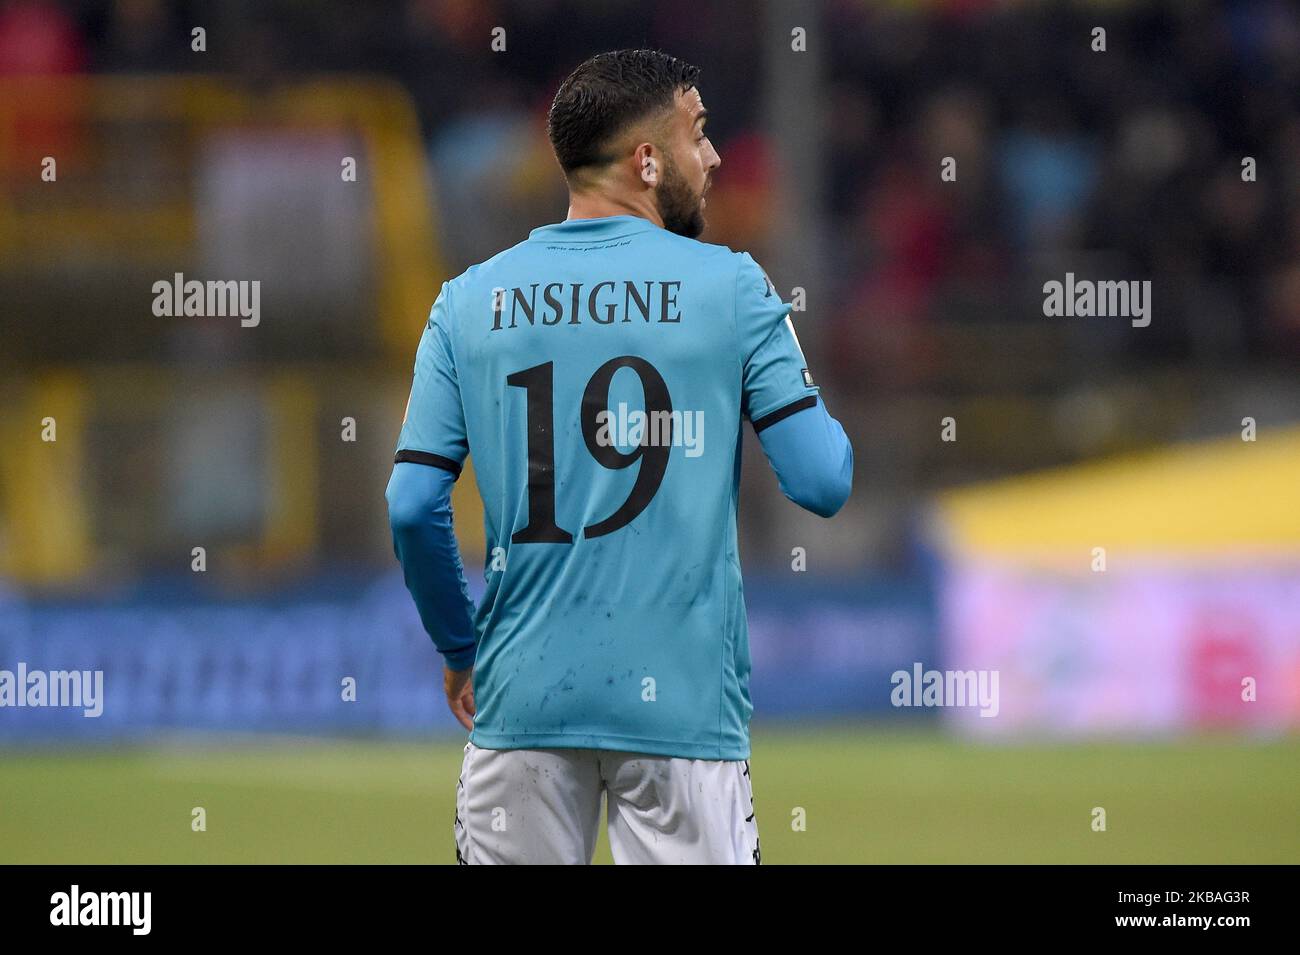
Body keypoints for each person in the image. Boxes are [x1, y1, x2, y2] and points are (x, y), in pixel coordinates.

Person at [386, 49, 852, 864]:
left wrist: (461, 652)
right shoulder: (733, 287)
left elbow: (410, 503)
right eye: (699, 133)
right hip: (682, 716)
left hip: (521, 704)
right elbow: (822, 481)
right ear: (646, 159)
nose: (713, 157)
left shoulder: (466, 301)